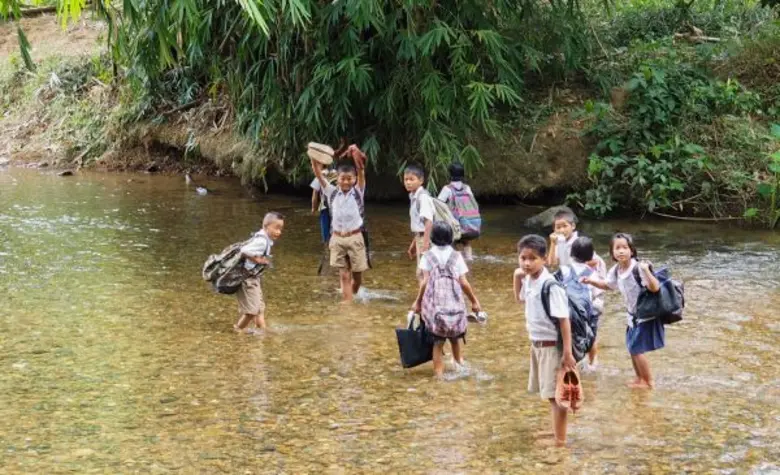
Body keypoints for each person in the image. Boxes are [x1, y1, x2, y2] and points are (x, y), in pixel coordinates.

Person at [513, 234, 575, 447]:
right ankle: (555, 433)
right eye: (523, 258)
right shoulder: (530, 280)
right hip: (537, 344)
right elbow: (518, 299)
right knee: (550, 394)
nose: (527, 263)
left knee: (558, 396)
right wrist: (517, 275)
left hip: (551, 347)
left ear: (544, 259)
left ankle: (560, 440)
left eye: (532, 258)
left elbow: (564, 320)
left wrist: (567, 353)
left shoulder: (550, 285)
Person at [582, 233, 663, 389]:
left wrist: (646, 271)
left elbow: (655, 287)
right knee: (631, 347)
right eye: (617, 248)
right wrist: (591, 280)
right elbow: (608, 285)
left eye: (625, 248)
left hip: (644, 314)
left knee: (636, 349)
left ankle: (649, 381)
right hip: (632, 315)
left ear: (631, 251)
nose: (621, 251)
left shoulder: (638, 268)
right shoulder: (616, 270)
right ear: (612, 253)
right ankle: (639, 378)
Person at [411, 222, 481, 378]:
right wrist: (474, 301)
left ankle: (439, 376)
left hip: (435, 306)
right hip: (455, 303)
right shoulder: (456, 256)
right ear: (450, 238)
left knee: (438, 342)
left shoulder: (427, 256)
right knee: (455, 337)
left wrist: (418, 302)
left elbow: (425, 282)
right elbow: (463, 282)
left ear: (433, 238)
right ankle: (459, 366)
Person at [311, 145, 368, 302]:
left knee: (357, 277)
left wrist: (357, 156)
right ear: (338, 179)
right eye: (343, 179)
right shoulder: (331, 192)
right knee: (343, 274)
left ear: (355, 179)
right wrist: (314, 158)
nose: (346, 182)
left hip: (355, 237)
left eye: (350, 179)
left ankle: (353, 294)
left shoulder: (358, 191)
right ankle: (347, 305)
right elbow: (317, 173)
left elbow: (361, 171)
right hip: (337, 238)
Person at [234, 212, 284, 334]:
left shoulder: (263, 238)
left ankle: (262, 331)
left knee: (260, 308)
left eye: (281, 229)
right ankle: (238, 329)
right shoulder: (262, 241)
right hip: (247, 278)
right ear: (266, 227)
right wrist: (257, 259)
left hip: (254, 277)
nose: (279, 232)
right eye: (276, 228)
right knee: (252, 311)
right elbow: (244, 250)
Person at [562, 236, 607, 370]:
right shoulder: (592, 274)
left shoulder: (564, 270)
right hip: (586, 312)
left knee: (568, 336)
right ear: (590, 255)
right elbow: (597, 293)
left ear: (571, 253)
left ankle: (570, 362)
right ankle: (592, 363)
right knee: (591, 336)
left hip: (567, 311)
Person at [438, 162, 480, 261]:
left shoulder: (447, 189)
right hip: (470, 223)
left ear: (450, 174)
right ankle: (469, 259)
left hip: (455, 223)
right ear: (462, 175)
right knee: (466, 241)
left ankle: (457, 260)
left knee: (452, 241)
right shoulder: (467, 188)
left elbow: (439, 205)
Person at [404, 165, 434, 277]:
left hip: (425, 239)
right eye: (406, 179)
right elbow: (419, 224)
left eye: (411, 179)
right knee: (422, 273)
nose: (408, 182)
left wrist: (425, 245)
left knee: (423, 274)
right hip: (420, 238)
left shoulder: (423, 197)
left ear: (421, 180)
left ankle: (425, 295)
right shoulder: (413, 196)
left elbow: (429, 222)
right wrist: (414, 243)